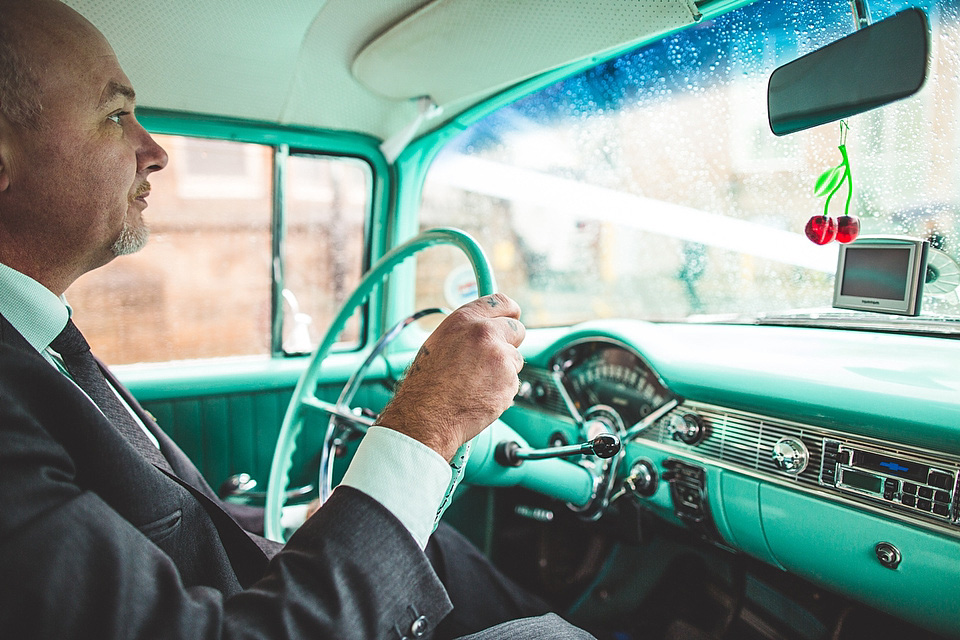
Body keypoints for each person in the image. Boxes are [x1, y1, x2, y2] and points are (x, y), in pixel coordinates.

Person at [0, 1, 596, 638]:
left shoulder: (38, 345)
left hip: (239, 591)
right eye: (115, 116)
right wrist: (431, 422)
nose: (153, 151)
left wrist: (303, 524)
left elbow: (151, 518)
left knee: (436, 547)